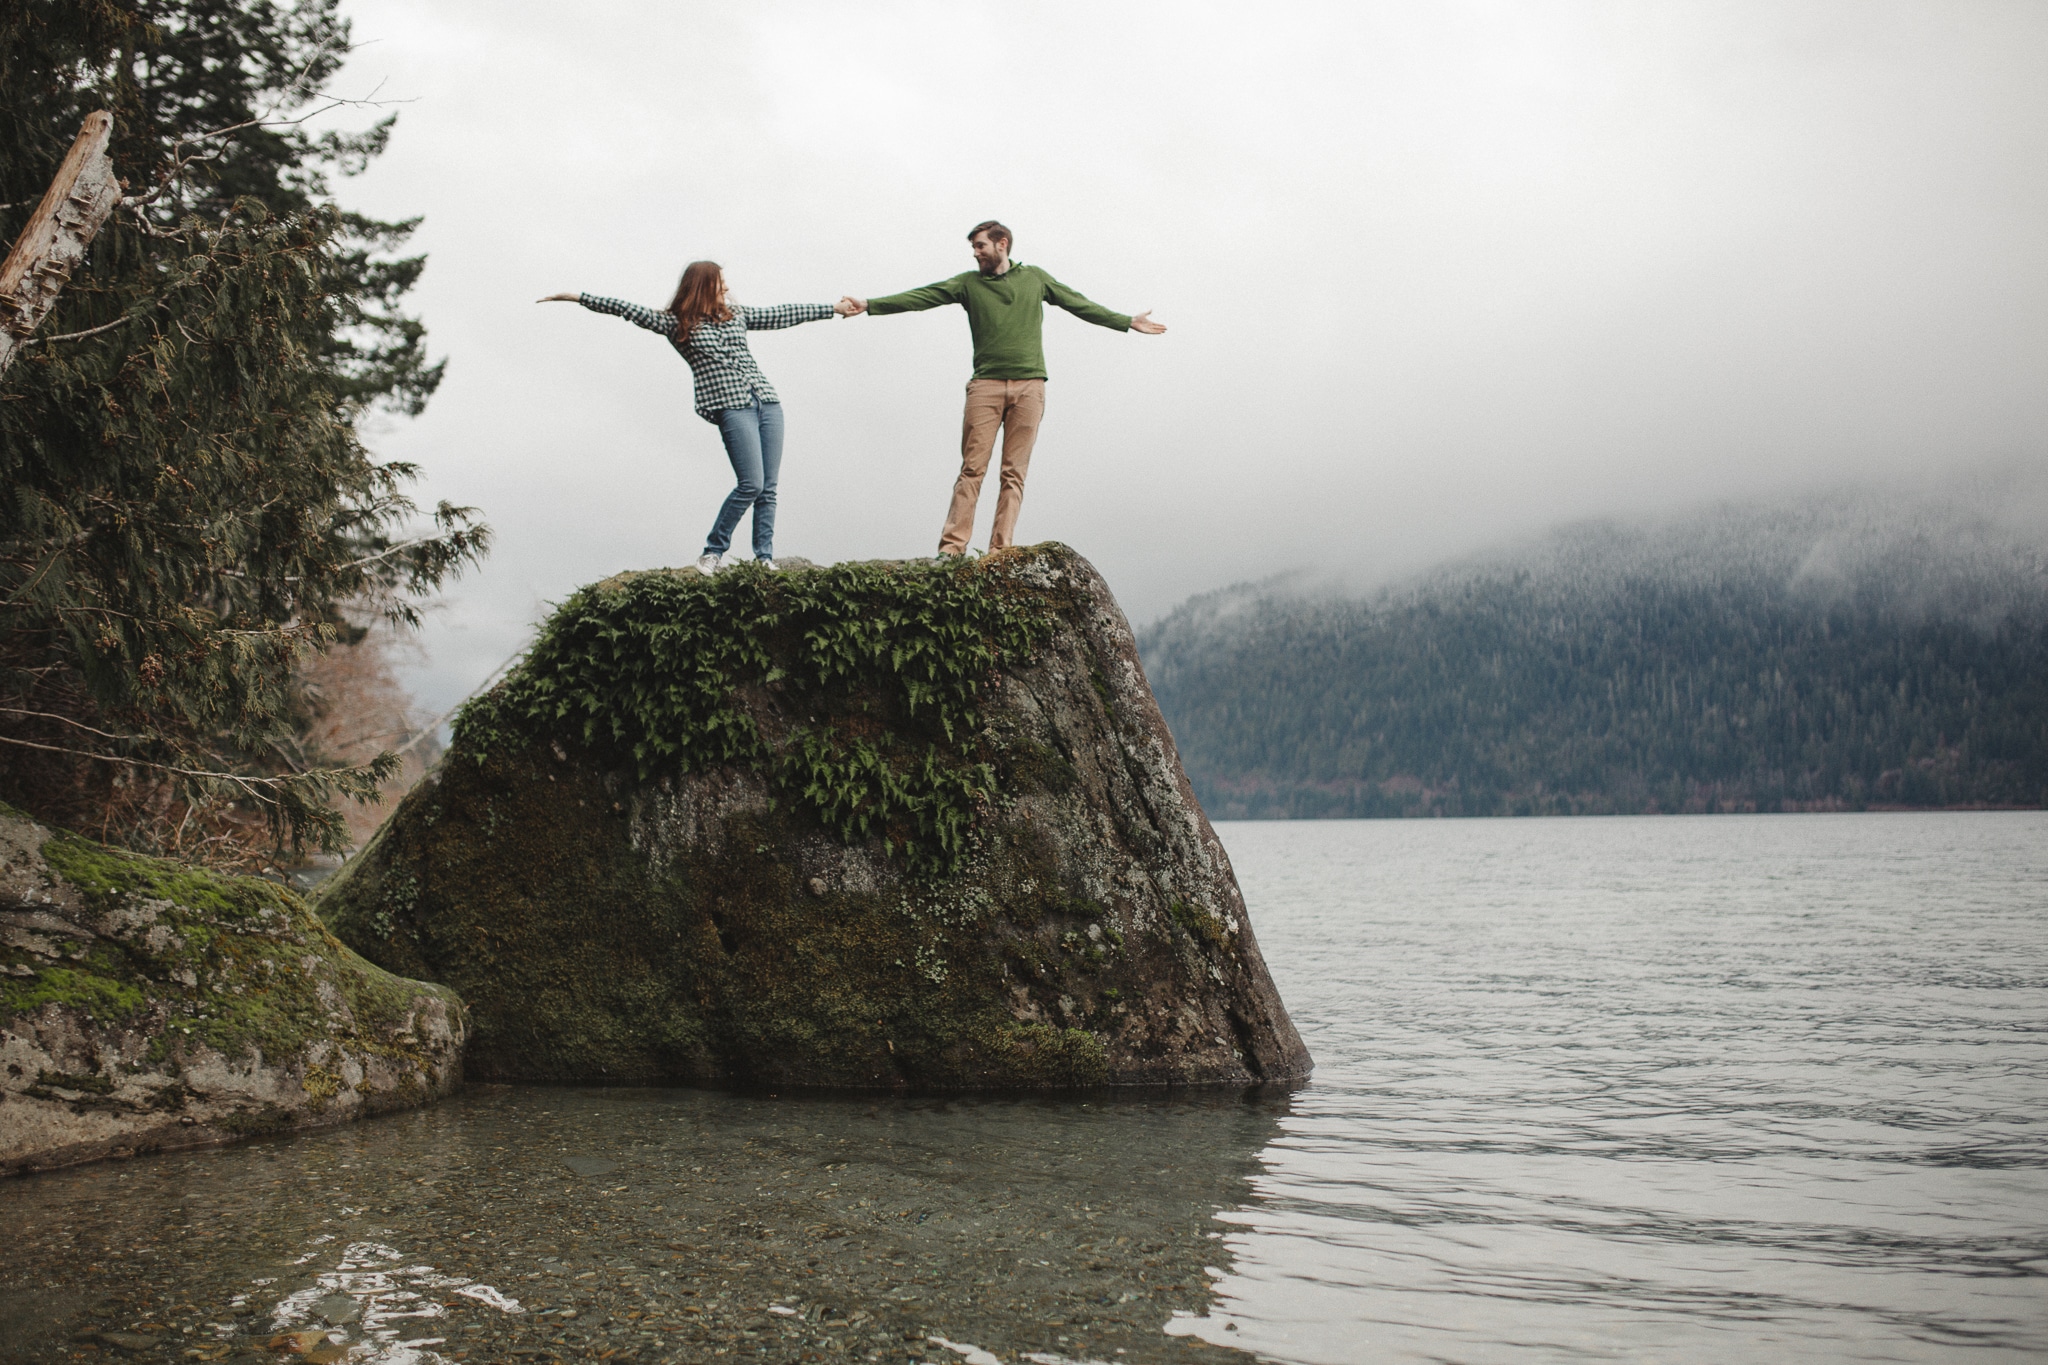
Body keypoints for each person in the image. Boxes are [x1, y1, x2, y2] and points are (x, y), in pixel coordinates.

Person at [840, 221, 1165, 556]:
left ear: (1002, 244)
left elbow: (1077, 303)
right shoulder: (968, 284)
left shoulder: (1035, 278)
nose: (976, 253)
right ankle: (952, 549)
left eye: (981, 246)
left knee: (1013, 473)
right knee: (972, 468)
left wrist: (1125, 321)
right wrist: (869, 304)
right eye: (974, 248)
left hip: (1030, 387)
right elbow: (923, 296)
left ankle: (1000, 551)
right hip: (985, 386)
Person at [540, 263, 858, 573]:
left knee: (769, 489)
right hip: (732, 407)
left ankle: (764, 558)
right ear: (704, 285)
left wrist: (833, 307)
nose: (727, 287)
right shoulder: (675, 323)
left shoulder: (736, 316)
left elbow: (782, 314)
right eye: (721, 281)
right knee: (751, 484)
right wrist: (578, 297)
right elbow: (626, 309)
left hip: (767, 402)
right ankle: (712, 552)